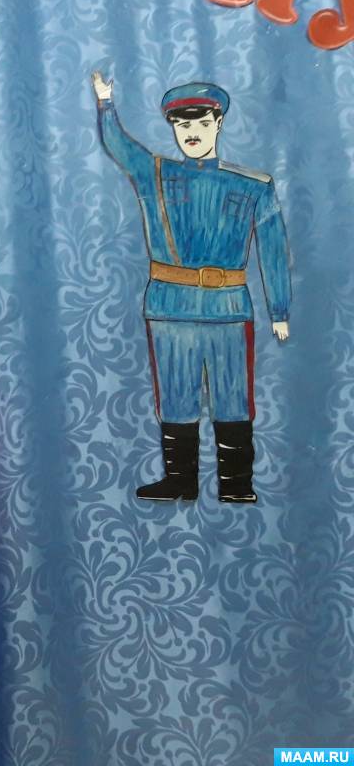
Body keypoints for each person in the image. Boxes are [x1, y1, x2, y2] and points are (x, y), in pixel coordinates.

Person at [91, 72, 291, 502]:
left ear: (218, 123)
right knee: (176, 396)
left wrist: (280, 310)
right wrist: (106, 103)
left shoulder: (252, 185)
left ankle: (236, 484)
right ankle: (180, 480)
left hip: (228, 308)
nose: (192, 132)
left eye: (201, 122)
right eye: (183, 125)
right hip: (171, 307)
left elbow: (273, 247)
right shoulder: (156, 174)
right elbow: (119, 147)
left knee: (233, 397)